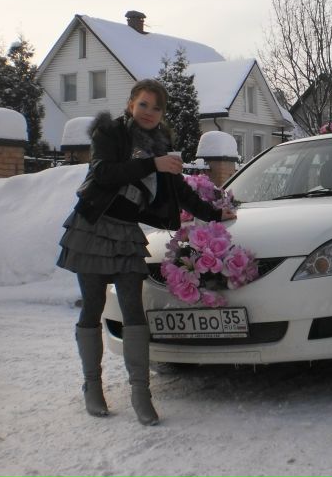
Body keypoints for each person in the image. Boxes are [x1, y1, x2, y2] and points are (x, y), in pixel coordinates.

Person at [56, 79, 236, 426]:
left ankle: (141, 392)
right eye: (144, 104)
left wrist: (213, 213)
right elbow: (105, 172)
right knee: (92, 306)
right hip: (93, 227)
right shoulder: (109, 133)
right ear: (130, 104)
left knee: (133, 309)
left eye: (157, 107)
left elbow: (177, 186)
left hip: (126, 233)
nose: (150, 112)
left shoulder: (161, 144)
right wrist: (153, 164)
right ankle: (92, 387)